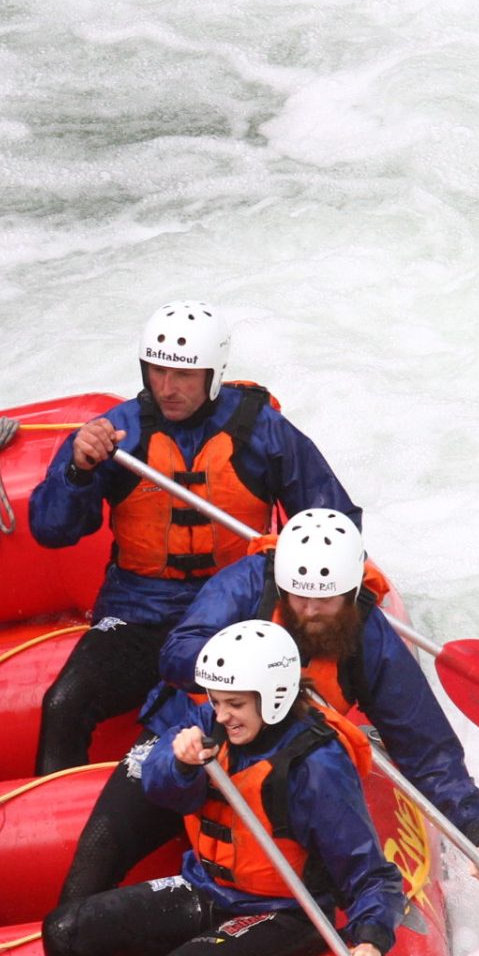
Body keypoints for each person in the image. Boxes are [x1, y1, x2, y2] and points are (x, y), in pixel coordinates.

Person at [26, 301, 359, 774]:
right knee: (63, 703)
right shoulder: (117, 434)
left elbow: (332, 516)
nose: (167, 388)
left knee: (259, 723)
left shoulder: (261, 431)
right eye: (157, 371)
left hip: (234, 611)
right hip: (138, 615)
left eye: (183, 376)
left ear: (213, 374)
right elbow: (52, 530)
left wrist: (327, 587)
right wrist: (78, 471)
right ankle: (56, 821)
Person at [42, 621, 401, 956]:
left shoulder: (316, 768)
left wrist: (372, 937)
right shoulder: (210, 723)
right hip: (208, 889)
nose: (221, 715)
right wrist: (179, 764)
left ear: (274, 698)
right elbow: (160, 787)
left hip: (283, 914)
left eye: (234, 704)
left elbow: (368, 870)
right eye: (215, 702)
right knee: (64, 931)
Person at [161, 508, 479, 890]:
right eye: (299, 597)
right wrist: (251, 670)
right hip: (201, 744)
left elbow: (426, 748)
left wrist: (477, 833)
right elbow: (176, 653)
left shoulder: (368, 636)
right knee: (115, 832)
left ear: (350, 592)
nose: (311, 610)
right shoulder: (246, 585)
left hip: (292, 773)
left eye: (325, 600)